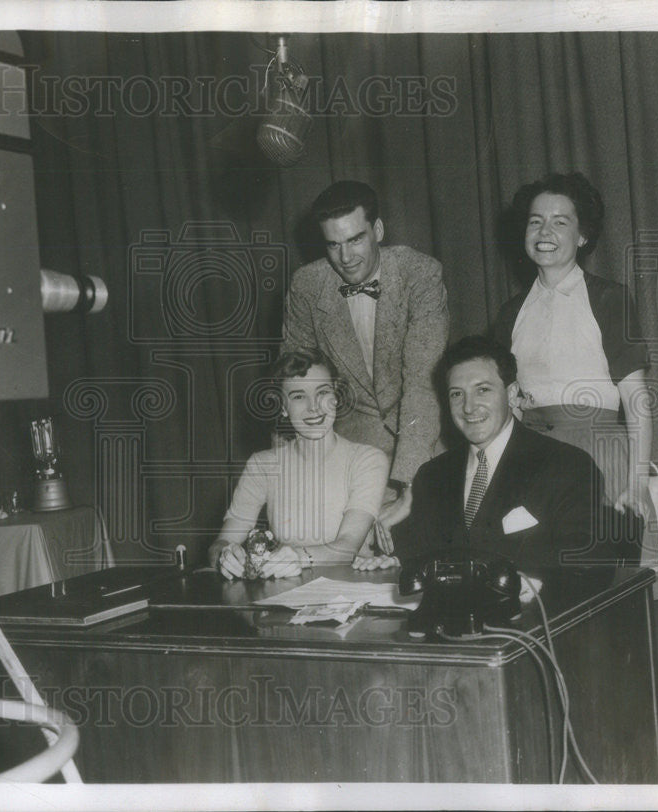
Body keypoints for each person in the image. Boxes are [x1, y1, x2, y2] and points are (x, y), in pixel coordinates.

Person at [282, 180, 449, 552]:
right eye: (333, 244)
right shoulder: (307, 285)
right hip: (350, 453)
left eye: (355, 239)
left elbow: (422, 381)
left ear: (378, 231)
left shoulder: (420, 273)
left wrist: (409, 485)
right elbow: (295, 382)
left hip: (421, 444)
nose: (345, 257)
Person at [354, 336, 605, 572]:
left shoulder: (567, 465)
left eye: (482, 390)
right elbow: (420, 549)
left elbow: (583, 561)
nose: (468, 407)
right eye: (456, 394)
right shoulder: (432, 475)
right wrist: (394, 563)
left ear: (511, 394)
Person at [491, 172, 651, 516]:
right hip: (531, 462)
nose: (544, 232)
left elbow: (637, 401)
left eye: (559, 222)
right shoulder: (510, 313)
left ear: (582, 236)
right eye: (536, 222)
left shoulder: (610, 299)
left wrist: (636, 484)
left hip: (598, 457)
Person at [209, 349, 389, 580]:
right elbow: (222, 542)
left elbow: (347, 548)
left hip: (349, 591)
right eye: (298, 396)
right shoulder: (262, 464)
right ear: (283, 407)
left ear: (336, 396)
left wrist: (298, 556)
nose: (314, 407)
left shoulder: (367, 459)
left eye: (323, 392)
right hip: (285, 593)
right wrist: (225, 555)